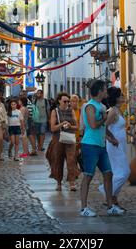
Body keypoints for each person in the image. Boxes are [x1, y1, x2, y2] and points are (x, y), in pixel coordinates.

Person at [80, 80, 124, 216]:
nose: (106, 92)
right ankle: (84, 208)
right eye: (105, 89)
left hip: (101, 145)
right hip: (90, 145)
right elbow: (93, 125)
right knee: (88, 176)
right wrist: (104, 118)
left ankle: (110, 206)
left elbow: (103, 127)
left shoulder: (101, 106)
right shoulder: (90, 107)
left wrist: (111, 137)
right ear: (99, 91)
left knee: (108, 173)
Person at [98, 87, 130, 209]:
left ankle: (113, 199)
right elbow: (103, 128)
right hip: (114, 145)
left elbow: (120, 127)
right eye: (121, 95)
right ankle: (106, 191)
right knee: (124, 172)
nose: (123, 97)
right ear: (116, 98)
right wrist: (111, 139)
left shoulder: (118, 110)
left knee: (118, 172)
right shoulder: (112, 112)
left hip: (121, 144)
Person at [46, 92, 78, 191]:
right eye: (65, 101)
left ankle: (72, 182)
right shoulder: (55, 111)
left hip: (70, 138)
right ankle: (59, 183)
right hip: (58, 139)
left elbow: (77, 126)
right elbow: (52, 128)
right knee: (58, 161)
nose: (67, 103)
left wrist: (70, 125)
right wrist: (62, 124)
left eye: (68, 101)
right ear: (59, 101)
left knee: (71, 160)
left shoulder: (71, 111)